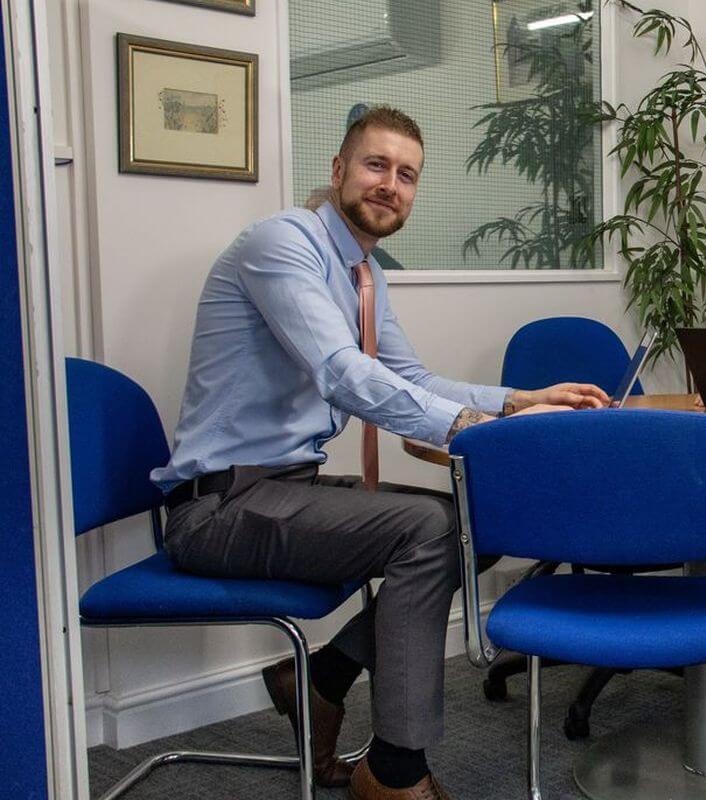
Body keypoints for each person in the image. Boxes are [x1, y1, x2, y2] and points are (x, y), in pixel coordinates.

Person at [151, 106, 608, 800]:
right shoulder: (283, 245)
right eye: (375, 165)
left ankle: (321, 678)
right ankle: (393, 771)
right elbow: (344, 374)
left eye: (406, 175)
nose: (390, 184)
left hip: (286, 486)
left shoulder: (364, 273)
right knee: (429, 531)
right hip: (219, 506)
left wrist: (519, 397)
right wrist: (467, 426)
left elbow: (410, 380)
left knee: (478, 522)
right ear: (337, 171)